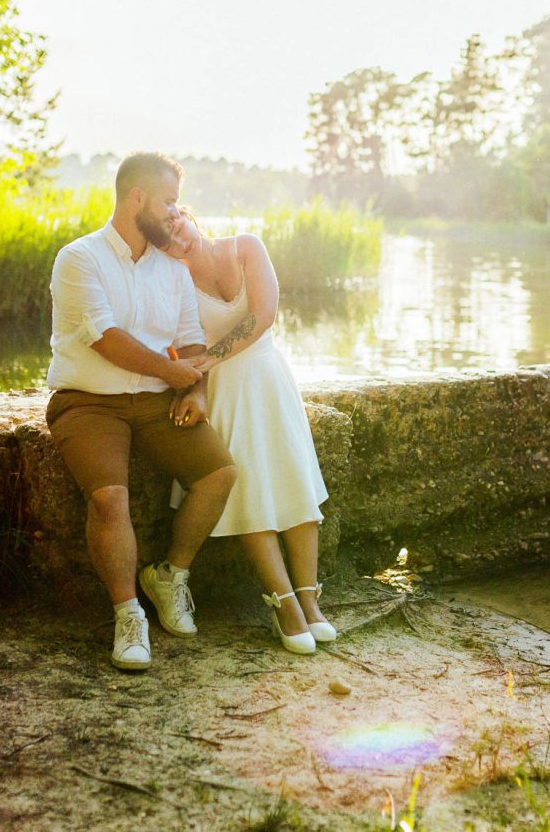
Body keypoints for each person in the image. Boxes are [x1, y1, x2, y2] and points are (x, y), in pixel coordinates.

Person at [45, 153, 237, 671]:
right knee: (110, 499)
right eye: (169, 201)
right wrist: (171, 373)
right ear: (137, 199)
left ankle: (170, 576)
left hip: (155, 401)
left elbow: (190, 338)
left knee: (219, 474)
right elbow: (105, 338)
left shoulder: (171, 269)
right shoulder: (78, 258)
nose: (176, 214)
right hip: (88, 402)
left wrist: (194, 392)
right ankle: (128, 614)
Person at [166, 210, 334, 655]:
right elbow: (181, 346)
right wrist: (199, 377)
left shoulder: (246, 246)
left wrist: (208, 357)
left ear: (188, 215)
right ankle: (283, 604)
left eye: (175, 221)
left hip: (269, 378)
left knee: (294, 481)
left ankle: (310, 601)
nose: (174, 235)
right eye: (163, 236)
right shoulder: (175, 286)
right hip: (224, 392)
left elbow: (263, 315)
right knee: (251, 490)